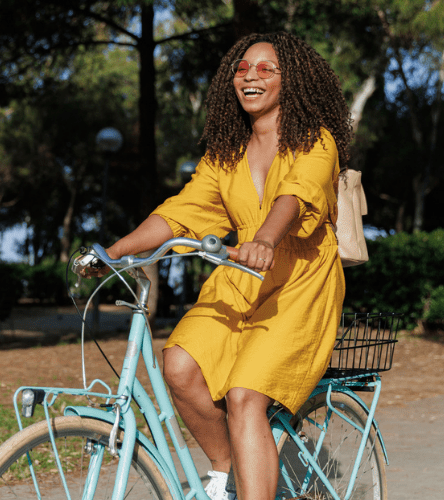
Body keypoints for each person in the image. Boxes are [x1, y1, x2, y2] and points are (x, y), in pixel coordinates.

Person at [80, 32, 352, 500]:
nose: (250, 76)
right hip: (242, 275)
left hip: (300, 280)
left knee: (246, 395)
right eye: (242, 69)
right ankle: (227, 471)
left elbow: (295, 195)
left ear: (291, 81)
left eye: (265, 69)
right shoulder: (226, 154)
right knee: (180, 365)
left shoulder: (315, 141)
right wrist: (115, 251)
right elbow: (181, 212)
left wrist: (265, 238)